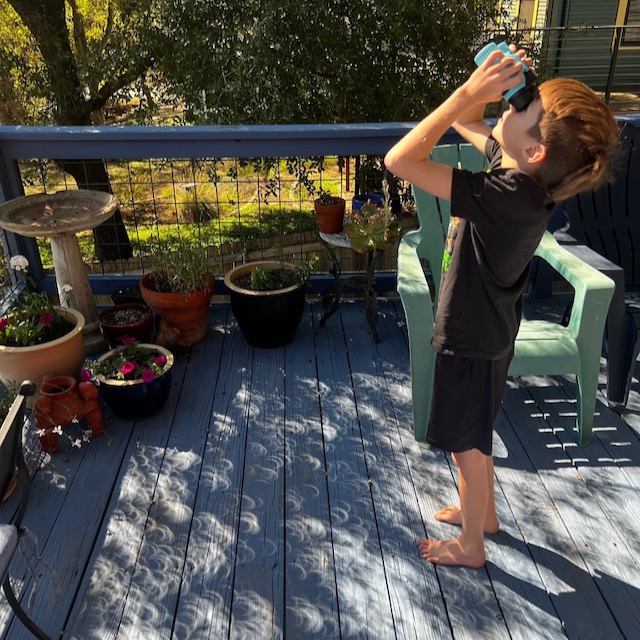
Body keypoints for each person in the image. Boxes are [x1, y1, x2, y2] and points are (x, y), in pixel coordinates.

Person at [384, 45, 618, 568]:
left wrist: (467, 95)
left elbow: (398, 161)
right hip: (493, 332)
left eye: (520, 108)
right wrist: (486, 87)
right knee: (478, 432)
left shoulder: (504, 192)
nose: (509, 110)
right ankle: (483, 516)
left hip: (468, 337)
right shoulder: (525, 180)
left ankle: (472, 547)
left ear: (534, 151)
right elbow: (474, 123)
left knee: (464, 449)